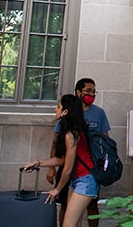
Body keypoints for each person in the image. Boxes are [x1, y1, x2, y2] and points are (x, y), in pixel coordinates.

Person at [24, 94, 98, 227]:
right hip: (77, 180)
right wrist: (38, 163)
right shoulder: (70, 131)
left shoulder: (72, 134)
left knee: (68, 224)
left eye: (58, 107)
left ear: (65, 112)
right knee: (74, 224)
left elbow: (68, 168)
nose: (55, 110)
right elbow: (62, 160)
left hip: (85, 181)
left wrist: (57, 189)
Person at [46, 78, 111, 227]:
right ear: (78, 92)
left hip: (87, 170)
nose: (92, 94)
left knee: (91, 206)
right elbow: (56, 143)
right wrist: (50, 167)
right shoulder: (68, 113)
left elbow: (105, 141)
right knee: (66, 206)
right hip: (70, 169)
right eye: (88, 91)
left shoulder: (99, 113)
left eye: (94, 92)